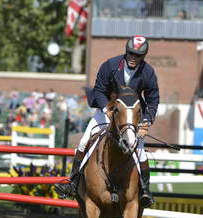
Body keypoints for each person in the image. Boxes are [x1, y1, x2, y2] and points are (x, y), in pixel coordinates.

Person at [56, 35, 159, 208]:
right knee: (83, 142)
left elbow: (153, 99)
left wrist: (146, 121)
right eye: (131, 53)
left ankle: (145, 191)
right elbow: (99, 91)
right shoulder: (110, 66)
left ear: (143, 56)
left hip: (129, 119)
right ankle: (72, 182)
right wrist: (106, 110)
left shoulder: (147, 72)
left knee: (140, 151)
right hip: (107, 111)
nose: (134, 58)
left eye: (138, 55)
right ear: (126, 52)